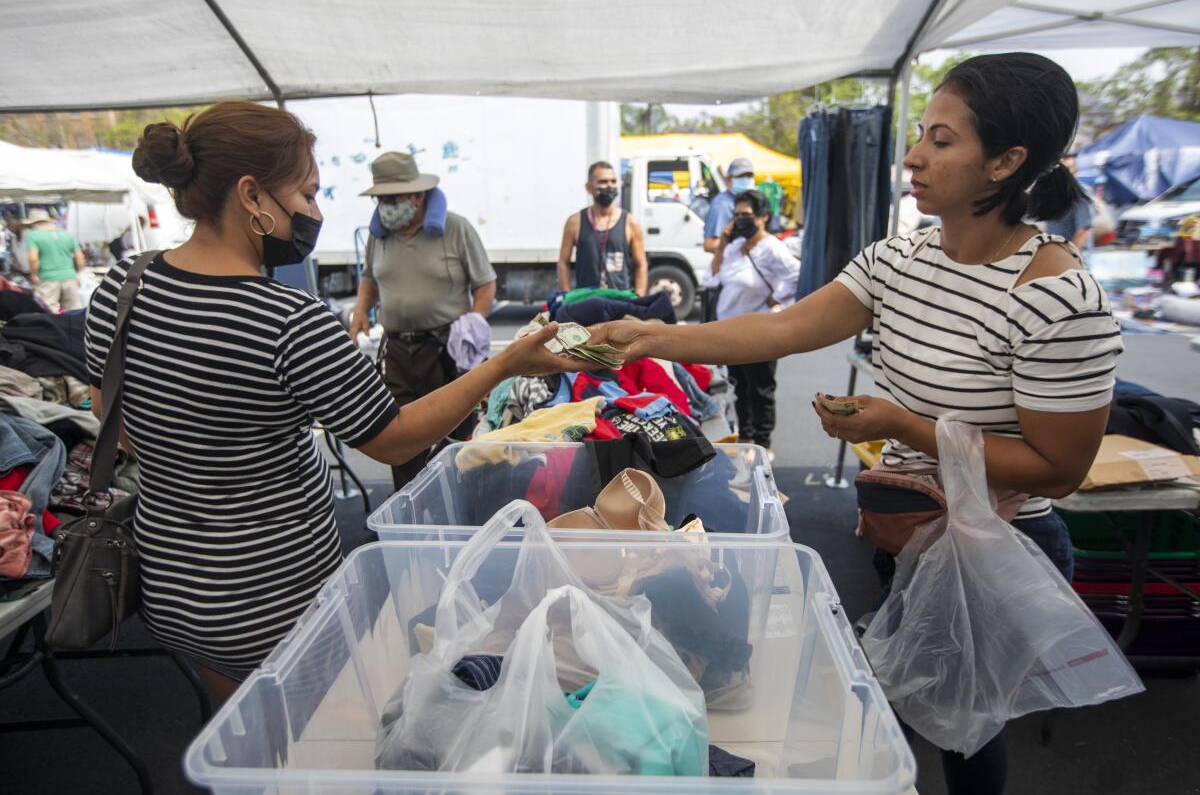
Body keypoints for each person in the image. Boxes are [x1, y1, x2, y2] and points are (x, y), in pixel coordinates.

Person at [588, 52, 1122, 795]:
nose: (913, 157)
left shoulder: (1059, 298)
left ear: (1006, 162)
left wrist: (903, 421)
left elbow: (1059, 468)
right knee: (891, 702)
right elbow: (780, 330)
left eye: (942, 140)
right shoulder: (902, 260)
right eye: (921, 135)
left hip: (999, 549)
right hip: (905, 525)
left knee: (963, 729)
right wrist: (649, 337)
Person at [87, 102, 589, 703]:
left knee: (241, 727)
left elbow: (109, 417)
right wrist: (505, 362)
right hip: (278, 597)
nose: (316, 213)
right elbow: (395, 437)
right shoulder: (287, 321)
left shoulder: (124, 284)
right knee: (307, 738)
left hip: (175, 583)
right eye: (307, 193)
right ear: (251, 195)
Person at [348, 152, 498, 490]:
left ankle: (459, 503)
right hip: (398, 350)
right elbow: (370, 280)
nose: (385, 205)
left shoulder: (455, 228)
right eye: (380, 198)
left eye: (393, 198)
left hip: (446, 348)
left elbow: (485, 283)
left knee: (456, 432)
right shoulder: (379, 235)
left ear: (418, 195)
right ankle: (407, 513)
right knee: (398, 434)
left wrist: (474, 321)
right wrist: (360, 311)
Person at [709, 189, 799, 454]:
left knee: (761, 390)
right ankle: (746, 438)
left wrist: (777, 298)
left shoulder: (772, 247)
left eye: (746, 215)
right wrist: (724, 243)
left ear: (763, 217)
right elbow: (712, 278)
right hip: (731, 330)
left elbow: (797, 273)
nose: (740, 220)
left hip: (760, 331)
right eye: (736, 215)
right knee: (739, 386)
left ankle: (763, 443)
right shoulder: (736, 247)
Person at [556, 161, 648, 296]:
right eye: (603, 182)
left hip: (621, 302)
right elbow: (563, 263)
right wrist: (567, 296)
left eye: (613, 181)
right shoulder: (575, 222)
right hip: (587, 302)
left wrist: (638, 296)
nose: (609, 186)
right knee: (542, 317)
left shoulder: (630, 222)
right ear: (589, 187)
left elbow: (641, 264)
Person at [23, 207, 85, 311]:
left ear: (33, 223)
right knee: (74, 311)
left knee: (48, 310)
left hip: (47, 278)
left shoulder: (33, 235)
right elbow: (80, 257)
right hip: (69, 276)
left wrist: (34, 274)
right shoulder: (66, 234)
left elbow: (33, 259)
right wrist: (77, 273)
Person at [702, 157, 755, 254]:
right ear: (728, 180)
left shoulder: (748, 201)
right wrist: (745, 245)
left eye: (749, 176)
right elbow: (710, 245)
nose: (746, 180)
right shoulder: (722, 204)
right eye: (740, 177)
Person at [1044, 154, 1092, 249]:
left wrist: (1071, 256)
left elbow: (1083, 231)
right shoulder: (1053, 193)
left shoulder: (1079, 194)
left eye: (1068, 169)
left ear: (1075, 171)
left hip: (1073, 258)